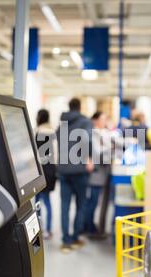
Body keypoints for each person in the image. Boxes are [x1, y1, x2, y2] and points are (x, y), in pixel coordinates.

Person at [56, 98, 94, 252]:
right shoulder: (85, 122)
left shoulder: (61, 124)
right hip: (79, 169)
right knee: (81, 204)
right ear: (80, 107)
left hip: (64, 169)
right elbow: (88, 141)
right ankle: (76, 237)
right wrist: (89, 158)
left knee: (64, 205)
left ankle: (66, 241)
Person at [84, 111, 112, 235]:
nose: (104, 121)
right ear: (95, 120)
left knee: (93, 202)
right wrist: (110, 148)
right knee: (92, 202)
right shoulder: (93, 134)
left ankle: (89, 225)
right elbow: (97, 154)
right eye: (102, 119)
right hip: (96, 174)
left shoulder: (102, 133)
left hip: (101, 173)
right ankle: (89, 227)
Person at [35, 109, 57, 240]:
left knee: (37, 202)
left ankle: (38, 228)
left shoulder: (37, 132)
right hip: (50, 170)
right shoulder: (53, 132)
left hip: (39, 171)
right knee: (47, 201)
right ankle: (48, 230)